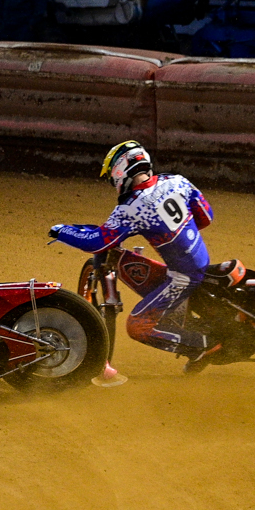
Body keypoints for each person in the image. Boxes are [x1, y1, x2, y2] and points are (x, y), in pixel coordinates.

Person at [49, 141, 224, 374]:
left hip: (183, 276)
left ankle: (202, 346)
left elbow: (98, 242)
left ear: (120, 171)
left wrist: (60, 230)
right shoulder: (177, 181)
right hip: (198, 261)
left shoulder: (133, 207)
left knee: (138, 326)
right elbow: (206, 217)